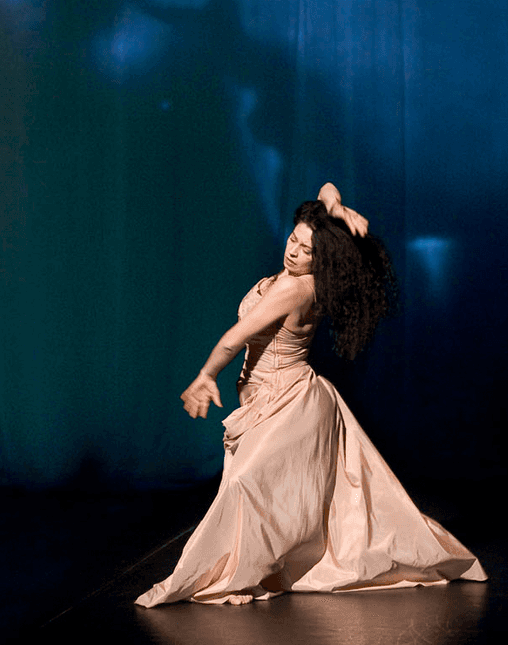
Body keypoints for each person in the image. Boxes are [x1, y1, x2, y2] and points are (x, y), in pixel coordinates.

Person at [135, 183, 486, 606]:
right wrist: (334, 208)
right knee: (280, 491)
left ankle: (239, 572)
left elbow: (234, 341)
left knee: (248, 484)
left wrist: (206, 376)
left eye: (306, 251)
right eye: (293, 240)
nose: (294, 252)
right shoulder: (294, 276)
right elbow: (326, 186)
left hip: (289, 401)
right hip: (274, 397)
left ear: (323, 261)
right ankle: (268, 563)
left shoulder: (295, 288)